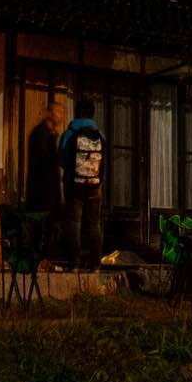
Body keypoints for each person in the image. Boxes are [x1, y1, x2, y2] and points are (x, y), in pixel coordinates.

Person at [57, 93, 108, 267]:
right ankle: (95, 265)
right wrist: (99, 181)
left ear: (76, 113)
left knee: (74, 223)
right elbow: (104, 162)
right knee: (94, 225)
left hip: (74, 185)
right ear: (92, 114)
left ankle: (74, 264)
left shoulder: (69, 134)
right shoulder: (100, 135)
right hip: (94, 186)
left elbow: (62, 159)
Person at [23, 91, 68, 266]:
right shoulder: (40, 135)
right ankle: (38, 260)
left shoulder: (49, 136)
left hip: (49, 193)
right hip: (41, 193)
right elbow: (44, 165)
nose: (62, 117)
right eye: (59, 112)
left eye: (63, 113)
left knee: (48, 230)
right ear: (50, 114)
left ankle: (42, 259)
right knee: (41, 229)